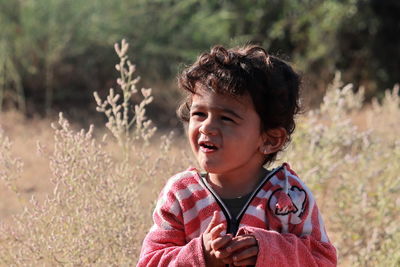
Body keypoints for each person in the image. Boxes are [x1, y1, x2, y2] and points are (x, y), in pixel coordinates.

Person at [137, 45, 337, 266]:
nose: (207, 127)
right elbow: (149, 261)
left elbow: (323, 260)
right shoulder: (181, 195)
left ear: (270, 140)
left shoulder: (291, 196)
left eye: (226, 118)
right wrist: (202, 254)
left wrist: (268, 250)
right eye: (199, 114)